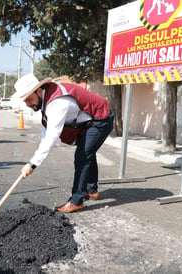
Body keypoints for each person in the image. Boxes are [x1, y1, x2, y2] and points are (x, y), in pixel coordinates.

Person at [12, 73, 113, 213]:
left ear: (39, 90)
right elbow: (45, 134)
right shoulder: (46, 99)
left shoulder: (57, 103)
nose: (28, 104)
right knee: (88, 152)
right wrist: (33, 160)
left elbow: (52, 136)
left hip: (101, 118)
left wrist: (33, 164)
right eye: (25, 101)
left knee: (83, 155)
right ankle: (91, 190)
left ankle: (76, 201)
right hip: (87, 121)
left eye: (29, 99)